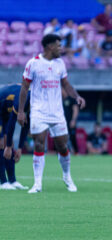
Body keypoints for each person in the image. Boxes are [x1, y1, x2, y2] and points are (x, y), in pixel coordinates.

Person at [18, 34, 86, 194]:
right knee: (39, 144)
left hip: (57, 112)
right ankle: (37, 183)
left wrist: (76, 96)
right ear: (49, 47)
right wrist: (21, 111)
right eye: (58, 45)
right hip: (38, 111)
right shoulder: (33, 63)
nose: (61, 48)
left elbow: (66, 84)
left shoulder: (60, 63)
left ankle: (67, 177)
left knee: (62, 145)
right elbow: (24, 88)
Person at [0, 84, 29, 190]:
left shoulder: (34, 103)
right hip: (1, 110)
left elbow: (26, 126)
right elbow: (13, 122)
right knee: (2, 143)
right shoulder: (22, 100)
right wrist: (6, 145)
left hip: (5, 113)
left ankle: (12, 181)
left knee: (9, 143)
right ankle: (3, 182)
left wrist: (20, 148)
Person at [62, 88, 79, 154]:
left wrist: (73, 120)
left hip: (70, 123)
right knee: (61, 138)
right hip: (62, 123)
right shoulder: (59, 99)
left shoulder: (71, 98)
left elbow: (75, 109)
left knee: (72, 138)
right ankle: (62, 153)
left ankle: (76, 152)